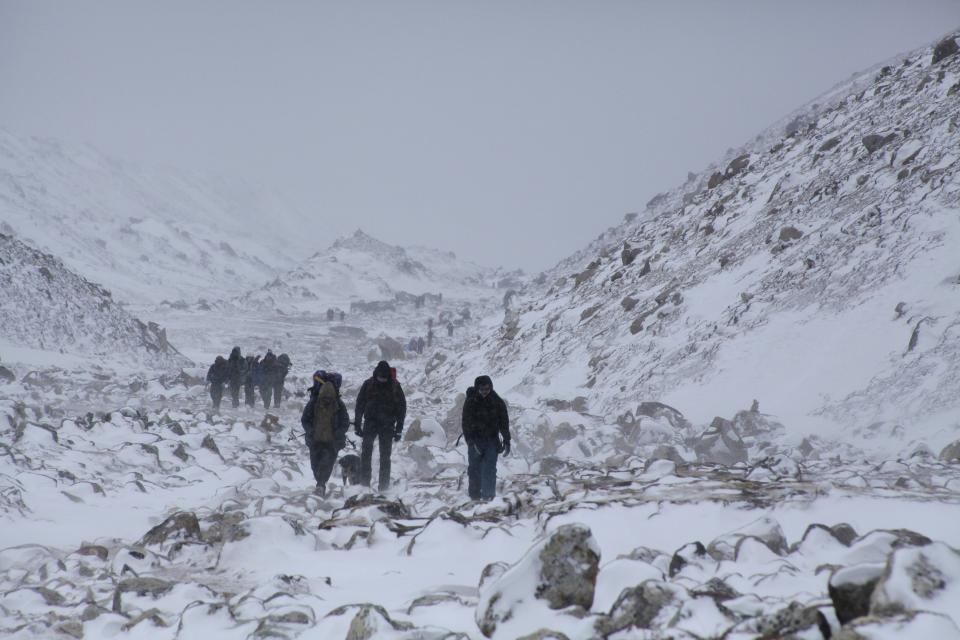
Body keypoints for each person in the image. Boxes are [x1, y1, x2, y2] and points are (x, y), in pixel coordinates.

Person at [354, 360, 406, 492]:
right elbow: (359, 404)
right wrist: (357, 424)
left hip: (387, 426)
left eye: (384, 378)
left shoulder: (395, 386)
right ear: (376, 374)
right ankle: (364, 486)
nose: (382, 380)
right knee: (366, 454)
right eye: (380, 378)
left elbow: (401, 409)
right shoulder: (368, 384)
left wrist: (399, 429)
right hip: (370, 423)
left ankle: (383, 488)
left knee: (385, 457)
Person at [461, 375, 510, 501]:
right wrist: (470, 442)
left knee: (489, 470)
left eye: (487, 389)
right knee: (474, 469)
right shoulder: (471, 401)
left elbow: (504, 422)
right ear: (477, 388)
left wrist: (507, 440)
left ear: (491, 388)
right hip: (475, 441)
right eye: (482, 389)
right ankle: (475, 497)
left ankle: (489, 498)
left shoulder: (497, 401)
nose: (484, 392)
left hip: (492, 441)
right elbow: (466, 423)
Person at [300, 370, 349, 496]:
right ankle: (320, 482)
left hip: (331, 442)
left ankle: (321, 485)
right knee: (315, 465)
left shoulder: (338, 405)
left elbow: (345, 422)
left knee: (326, 464)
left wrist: (339, 433)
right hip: (315, 440)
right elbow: (305, 419)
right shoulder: (314, 403)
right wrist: (310, 431)